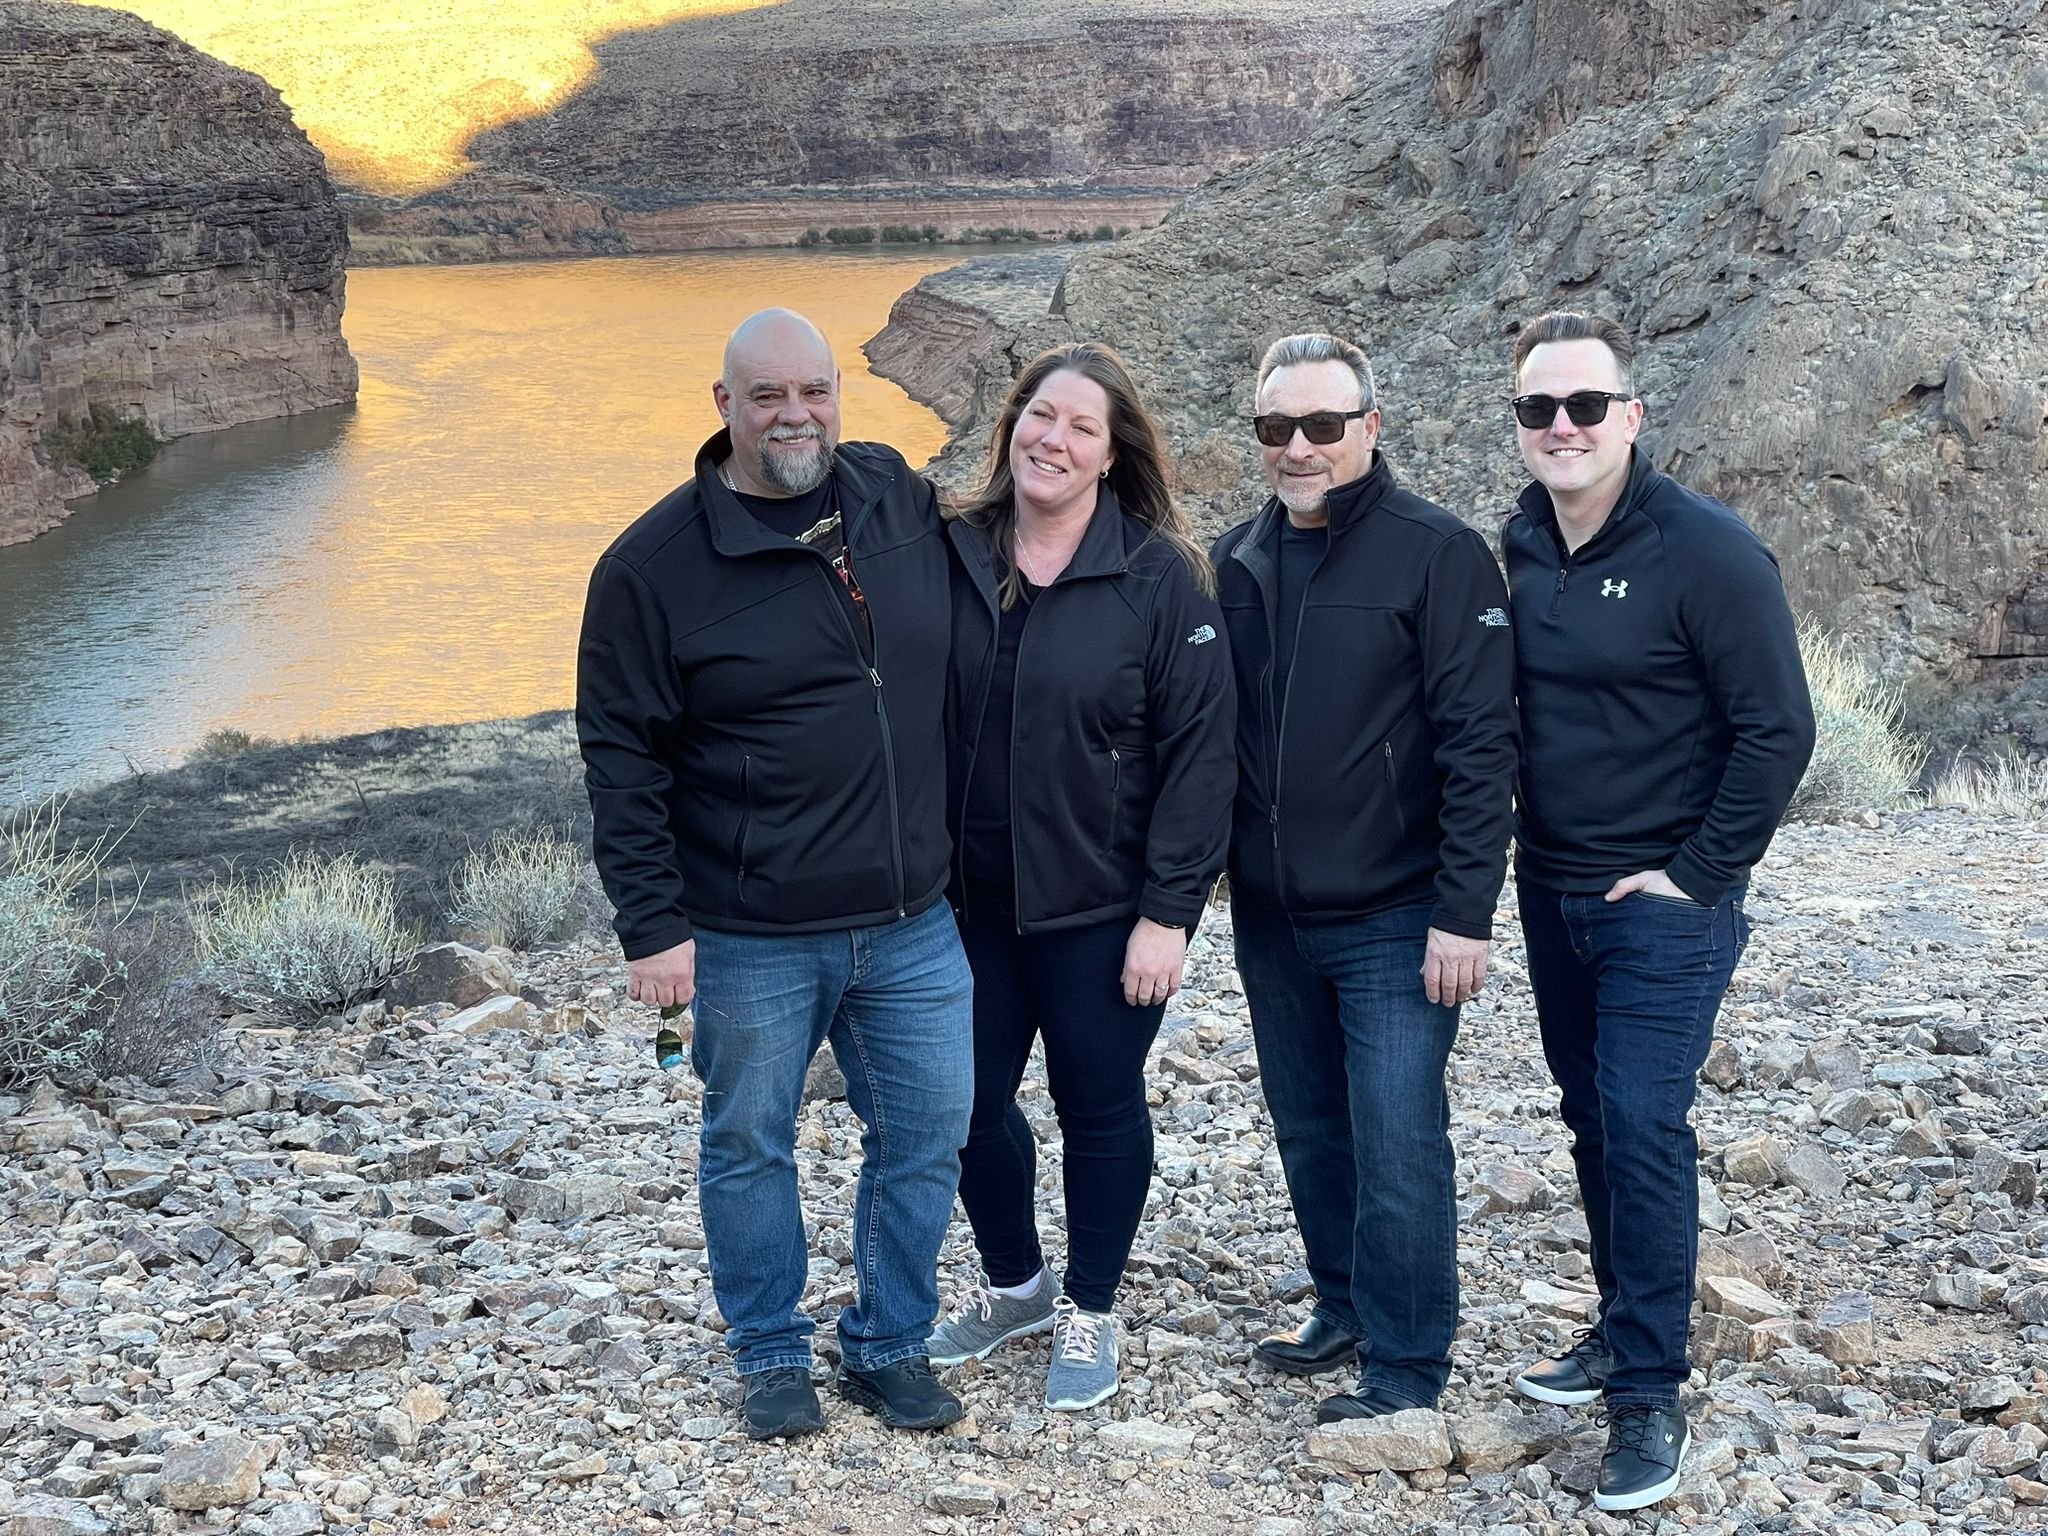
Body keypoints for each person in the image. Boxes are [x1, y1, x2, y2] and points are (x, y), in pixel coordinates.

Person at [576, 308, 973, 1441]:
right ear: (723, 407)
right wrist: (650, 929)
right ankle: (768, 1356)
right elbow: (620, 760)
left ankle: (890, 1343)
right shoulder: (650, 570)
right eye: (766, 396)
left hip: (910, 922)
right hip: (749, 931)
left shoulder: (892, 496)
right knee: (749, 1140)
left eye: (813, 391)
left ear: (838, 394)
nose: (793, 415)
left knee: (928, 1131)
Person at [1501, 311, 1815, 1512]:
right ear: (1520, 429)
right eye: (1539, 410)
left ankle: (1647, 1394)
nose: (1563, 427)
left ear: (1631, 416)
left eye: (1585, 406)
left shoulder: (1705, 550)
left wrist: (1696, 873)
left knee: (1639, 1122)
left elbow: (1777, 727)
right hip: (1550, 889)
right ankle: (1616, 1324)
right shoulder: (1525, 542)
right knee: (1590, 1121)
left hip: (1662, 909)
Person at [1213, 334, 1518, 1421]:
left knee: (1395, 1138)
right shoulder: (1236, 558)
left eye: (1321, 427)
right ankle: (1342, 1306)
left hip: (1396, 914)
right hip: (1269, 911)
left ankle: (1404, 1364)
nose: (1298, 448)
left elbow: (1482, 745)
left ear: (1369, 427)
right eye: (1275, 429)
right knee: (1307, 1124)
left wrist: (1462, 913)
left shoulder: (1435, 554)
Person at [925, 343, 1235, 1411]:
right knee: (957, 1106)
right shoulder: (954, 548)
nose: (1050, 440)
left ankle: (1092, 1309)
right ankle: (1016, 1285)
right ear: (1010, 425)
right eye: (1037, 417)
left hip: (1103, 911)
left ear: (1111, 455)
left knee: (1095, 1104)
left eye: (1079, 427)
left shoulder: (1157, 578)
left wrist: (1168, 915)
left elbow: (1202, 759)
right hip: (963, 906)